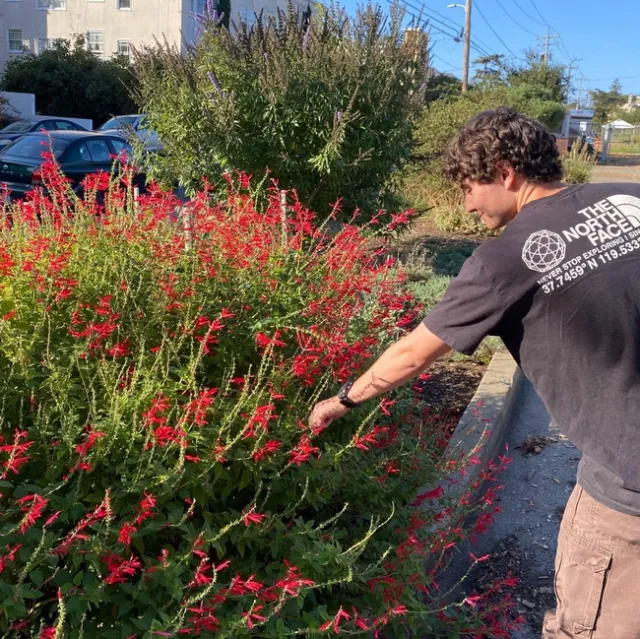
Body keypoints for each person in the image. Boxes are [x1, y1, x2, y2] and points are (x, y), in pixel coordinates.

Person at [309, 107, 640, 639]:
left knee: (591, 624)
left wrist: (343, 399)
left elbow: (415, 353)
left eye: (470, 186)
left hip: (630, 492)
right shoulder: (628, 201)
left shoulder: (503, 259)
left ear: (506, 173)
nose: (465, 203)